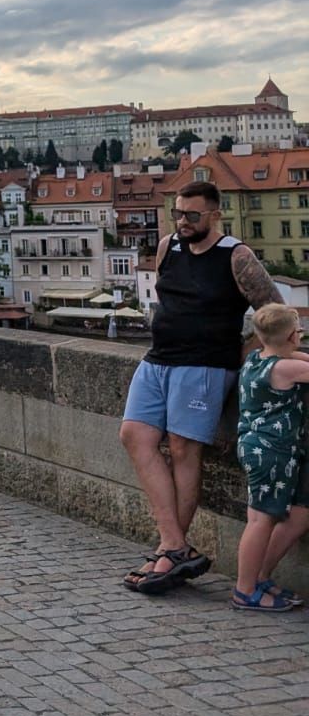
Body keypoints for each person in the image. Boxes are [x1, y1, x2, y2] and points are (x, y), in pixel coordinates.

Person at [119, 180, 279, 594]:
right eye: (178, 213)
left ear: (214, 215)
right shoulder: (168, 246)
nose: (183, 222)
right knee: (134, 435)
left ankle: (169, 551)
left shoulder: (235, 255)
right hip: (159, 358)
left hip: (205, 365)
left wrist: (243, 352)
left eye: (192, 215)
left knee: (182, 448)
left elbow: (275, 312)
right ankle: (175, 545)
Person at [231, 303, 309, 612]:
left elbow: (298, 359)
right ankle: (244, 590)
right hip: (272, 452)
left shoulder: (256, 358)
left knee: (265, 518)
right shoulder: (285, 368)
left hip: (254, 446)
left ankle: (256, 581)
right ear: (292, 336)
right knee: (260, 521)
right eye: (299, 331)